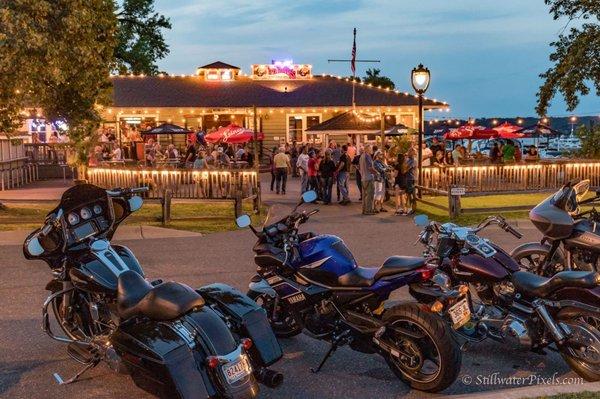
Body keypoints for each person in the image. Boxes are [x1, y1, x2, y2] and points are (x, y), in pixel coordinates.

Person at [359, 144, 377, 215]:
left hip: (363, 178)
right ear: (367, 149)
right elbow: (370, 168)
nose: (371, 150)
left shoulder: (361, 156)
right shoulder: (367, 156)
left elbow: (359, 167)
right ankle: (368, 210)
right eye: (370, 148)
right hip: (369, 177)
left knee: (364, 195)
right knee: (369, 195)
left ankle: (364, 209)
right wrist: (376, 172)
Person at [404, 147, 417, 215]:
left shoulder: (413, 160)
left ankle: (412, 208)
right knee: (409, 194)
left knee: (411, 193)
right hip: (408, 177)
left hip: (411, 178)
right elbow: (405, 167)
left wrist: (405, 169)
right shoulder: (409, 159)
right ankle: (410, 208)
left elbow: (408, 168)